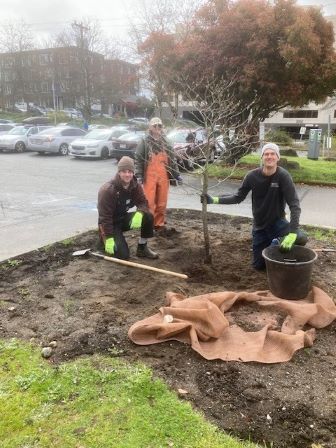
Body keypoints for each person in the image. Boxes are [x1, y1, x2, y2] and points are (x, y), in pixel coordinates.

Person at [201, 142, 307, 270]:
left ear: (277, 157)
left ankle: (277, 242)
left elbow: (294, 205)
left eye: (273, 154)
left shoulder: (283, 176)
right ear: (262, 157)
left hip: (278, 223)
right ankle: (272, 246)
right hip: (260, 226)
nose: (269, 157)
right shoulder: (252, 176)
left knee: (301, 237)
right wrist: (213, 200)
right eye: (266, 154)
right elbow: (237, 197)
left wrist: (293, 232)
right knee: (258, 266)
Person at [97, 156, 158, 260]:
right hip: (111, 223)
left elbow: (143, 202)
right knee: (123, 256)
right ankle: (104, 241)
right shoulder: (107, 190)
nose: (127, 174)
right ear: (119, 172)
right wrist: (109, 238)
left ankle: (142, 248)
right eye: (124, 171)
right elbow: (105, 217)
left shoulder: (134, 185)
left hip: (123, 219)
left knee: (148, 216)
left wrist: (140, 213)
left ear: (133, 173)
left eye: (130, 171)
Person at [135, 117, 183, 234]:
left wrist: (177, 175)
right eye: (155, 125)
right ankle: (148, 226)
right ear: (150, 127)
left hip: (163, 176)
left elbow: (172, 160)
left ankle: (159, 224)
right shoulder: (144, 141)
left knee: (162, 202)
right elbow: (138, 159)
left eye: (159, 126)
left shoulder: (166, 141)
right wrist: (139, 175)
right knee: (149, 202)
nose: (157, 128)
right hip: (149, 176)